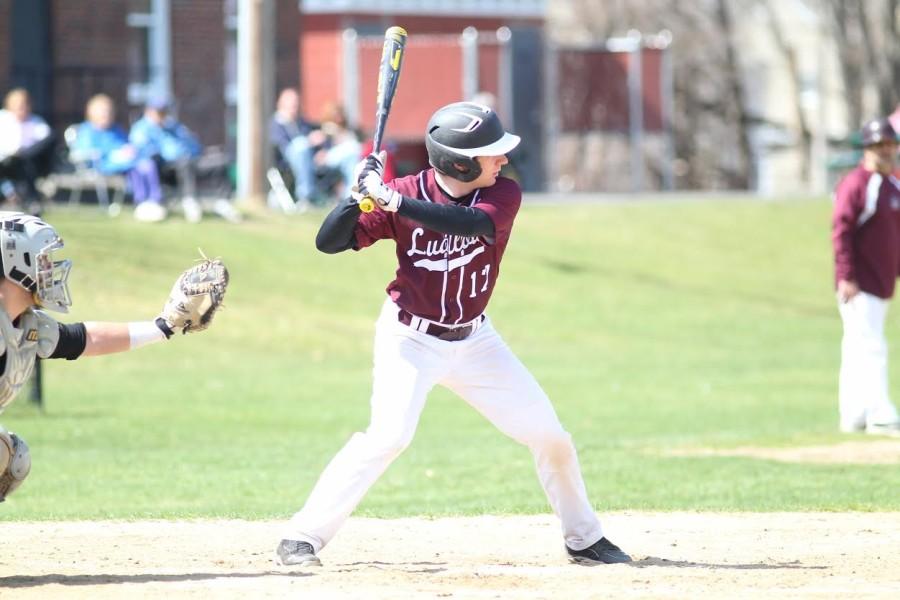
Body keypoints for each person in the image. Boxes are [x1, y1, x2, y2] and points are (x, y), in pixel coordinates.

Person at [275, 101, 632, 567]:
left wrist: (394, 202)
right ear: (459, 162)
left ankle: (583, 538)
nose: (502, 160)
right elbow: (329, 242)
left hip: (476, 341)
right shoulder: (401, 191)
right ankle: (302, 536)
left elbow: (471, 223)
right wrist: (356, 196)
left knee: (551, 436)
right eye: (491, 153)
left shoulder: (501, 194)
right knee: (388, 436)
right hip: (410, 338)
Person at [0, 211, 227, 502]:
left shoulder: (25, 323)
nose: (49, 269)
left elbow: (85, 339)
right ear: (14, 262)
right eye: (42, 261)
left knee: (12, 457)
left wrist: (163, 326)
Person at [832, 117, 900, 437]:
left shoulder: (892, 185)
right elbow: (841, 231)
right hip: (859, 284)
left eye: (889, 146)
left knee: (858, 346)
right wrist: (846, 275)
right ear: (867, 149)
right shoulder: (858, 183)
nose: (885, 152)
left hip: (882, 281)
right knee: (871, 346)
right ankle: (879, 412)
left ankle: (855, 412)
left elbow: (893, 237)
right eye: (878, 146)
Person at [129, 93, 239, 224]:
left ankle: (223, 202)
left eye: (164, 111)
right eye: (159, 111)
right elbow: (143, 152)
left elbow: (193, 144)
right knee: (184, 163)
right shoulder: (142, 129)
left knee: (221, 161)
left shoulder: (173, 126)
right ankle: (190, 202)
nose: (162, 114)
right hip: (167, 168)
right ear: (149, 111)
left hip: (192, 161)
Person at [73, 94, 166, 222]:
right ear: (92, 113)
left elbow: (125, 143)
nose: (106, 115)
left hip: (124, 162)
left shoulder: (115, 129)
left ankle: (154, 199)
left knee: (146, 164)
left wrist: (127, 150)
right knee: (137, 167)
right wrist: (114, 154)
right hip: (102, 164)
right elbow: (83, 151)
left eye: (109, 111)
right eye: (103, 112)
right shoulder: (87, 130)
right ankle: (141, 200)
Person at [0, 89, 56, 210]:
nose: (21, 108)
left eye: (24, 104)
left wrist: (24, 153)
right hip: (5, 162)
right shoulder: (3, 119)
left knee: (26, 162)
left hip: (29, 162)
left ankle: (31, 200)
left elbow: (47, 140)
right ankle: (19, 196)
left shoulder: (36, 122)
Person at [270, 88, 326, 206]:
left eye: (296, 104)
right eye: (291, 104)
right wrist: (309, 142)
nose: (294, 107)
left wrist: (321, 150)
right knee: (300, 145)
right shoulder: (276, 124)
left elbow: (318, 135)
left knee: (350, 150)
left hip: (312, 159)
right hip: (285, 162)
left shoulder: (302, 122)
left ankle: (350, 198)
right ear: (281, 104)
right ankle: (306, 197)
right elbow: (282, 146)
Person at [314, 101, 362, 200]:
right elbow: (320, 149)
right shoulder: (326, 129)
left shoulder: (350, 130)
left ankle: (350, 195)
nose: (339, 118)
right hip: (326, 160)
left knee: (352, 160)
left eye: (340, 114)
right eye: (335, 115)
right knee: (353, 149)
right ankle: (351, 195)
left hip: (345, 159)